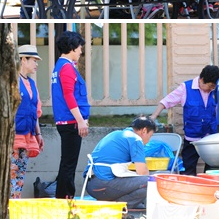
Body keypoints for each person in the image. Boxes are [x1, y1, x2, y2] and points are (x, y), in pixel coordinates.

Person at [150, 65, 219, 176]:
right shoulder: (186, 88)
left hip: (210, 138)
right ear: (202, 80)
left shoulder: (215, 91)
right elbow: (166, 101)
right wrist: (154, 116)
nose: (211, 89)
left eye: (214, 87)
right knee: (188, 170)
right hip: (192, 138)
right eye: (210, 86)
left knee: (212, 170)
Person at [83, 116, 156, 209]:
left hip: (90, 185)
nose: (149, 140)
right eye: (150, 136)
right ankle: (114, 207)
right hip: (103, 185)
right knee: (151, 182)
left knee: (140, 198)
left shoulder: (116, 134)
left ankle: (113, 204)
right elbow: (142, 172)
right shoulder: (135, 139)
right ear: (144, 131)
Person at [52, 31, 90, 199]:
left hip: (66, 121)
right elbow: (69, 95)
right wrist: (80, 121)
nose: (81, 51)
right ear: (73, 47)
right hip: (70, 122)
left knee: (67, 162)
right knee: (69, 163)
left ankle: (63, 197)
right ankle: (66, 198)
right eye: (80, 47)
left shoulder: (61, 65)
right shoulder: (66, 67)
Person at [11, 45, 44, 198]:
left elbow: (35, 112)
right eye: (34, 60)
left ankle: (15, 204)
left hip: (28, 135)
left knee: (20, 175)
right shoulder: (12, 80)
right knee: (11, 173)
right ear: (23, 60)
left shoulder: (31, 83)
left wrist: (38, 134)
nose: (36, 64)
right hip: (13, 136)